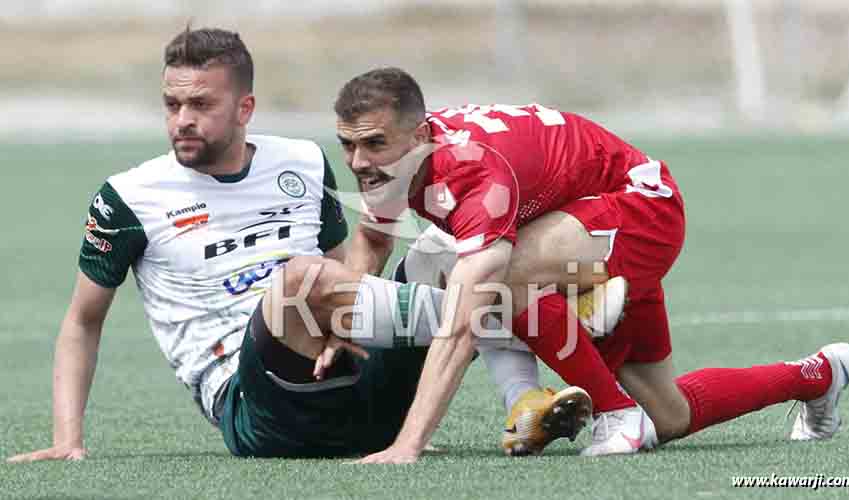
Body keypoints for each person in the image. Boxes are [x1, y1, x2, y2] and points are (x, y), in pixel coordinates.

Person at [5, 27, 592, 463]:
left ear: (244, 108)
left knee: (447, 248)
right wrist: (67, 439)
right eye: (172, 104)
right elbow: (82, 321)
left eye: (200, 104)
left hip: (359, 384)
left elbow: (352, 277)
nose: (182, 119)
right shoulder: (129, 196)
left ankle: (528, 393)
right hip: (259, 409)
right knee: (299, 280)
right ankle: (535, 318)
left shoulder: (303, 162)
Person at [331, 67, 849, 462]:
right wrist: (343, 322)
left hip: (639, 211)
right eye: (348, 146)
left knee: (495, 278)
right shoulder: (391, 163)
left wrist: (408, 443)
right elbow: (373, 240)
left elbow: (460, 329)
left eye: (373, 144)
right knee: (671, 415)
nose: (358, 162)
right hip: (586, 226)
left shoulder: (471, 174)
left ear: (420, 135)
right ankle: (816, 375)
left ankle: (612, 403)